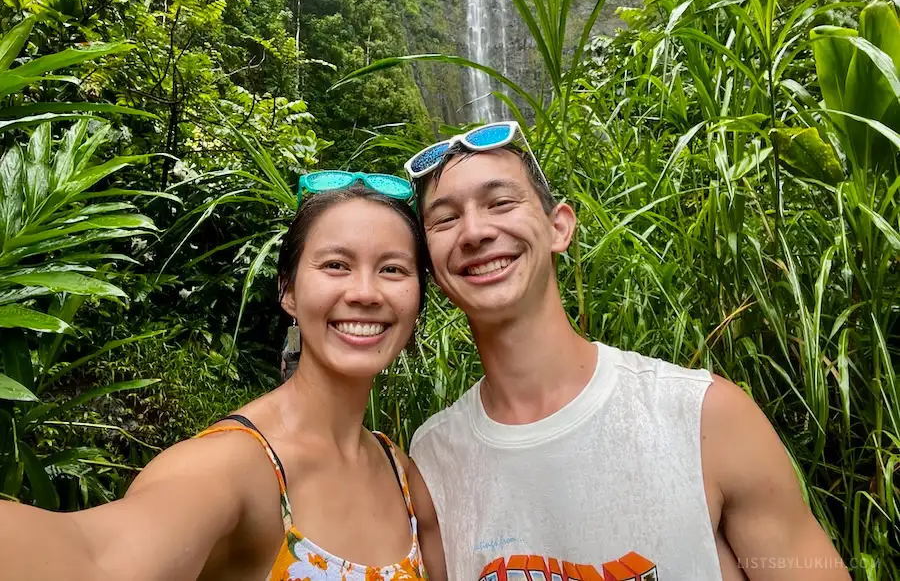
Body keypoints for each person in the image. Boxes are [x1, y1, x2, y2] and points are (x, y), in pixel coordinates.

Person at [403, 122, 850, 581]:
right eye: (446, 219)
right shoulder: (435, 460)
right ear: (431, 267)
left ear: (559, 227)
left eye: (500, 202)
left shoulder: (705, 417)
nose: (475, 231)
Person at [0, 171, 430, 581]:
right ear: (288, 292)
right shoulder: (236, 466)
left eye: (392, 269)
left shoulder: (402, 474)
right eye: (336, 265)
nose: (365, 293)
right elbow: (97, 559)